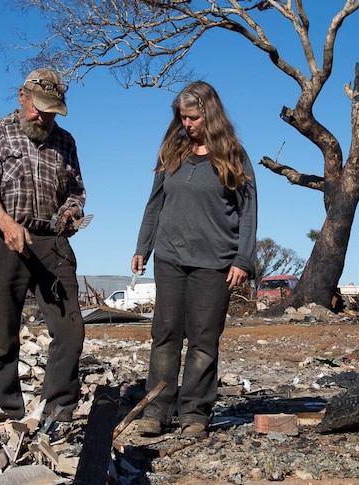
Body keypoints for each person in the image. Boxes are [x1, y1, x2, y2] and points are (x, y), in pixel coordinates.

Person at [131, 81, 257, 438]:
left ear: (210, 115)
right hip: (170, 257)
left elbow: (248, 211)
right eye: (182, 117)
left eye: (194, 117)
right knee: (165, 335)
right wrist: (144, 246)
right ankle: (156, 410)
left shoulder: (233, 154)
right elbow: (155, 202)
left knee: (204, 339)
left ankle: (195, 414)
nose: (187, 124)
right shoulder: (171, 150)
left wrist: (243, 258)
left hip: (215, 262)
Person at [0, 68, 87, 430]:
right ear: (22, 97)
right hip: (5, 237)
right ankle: (7, 413)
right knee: (4, 333)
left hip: (52, 243)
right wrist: (7, 225)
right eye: (39, 108)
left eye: (52, 111)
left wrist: (71, 212)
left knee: (71, 330)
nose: (44, 117)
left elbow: (76, 192)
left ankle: (59, 409)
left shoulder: (65, 141)